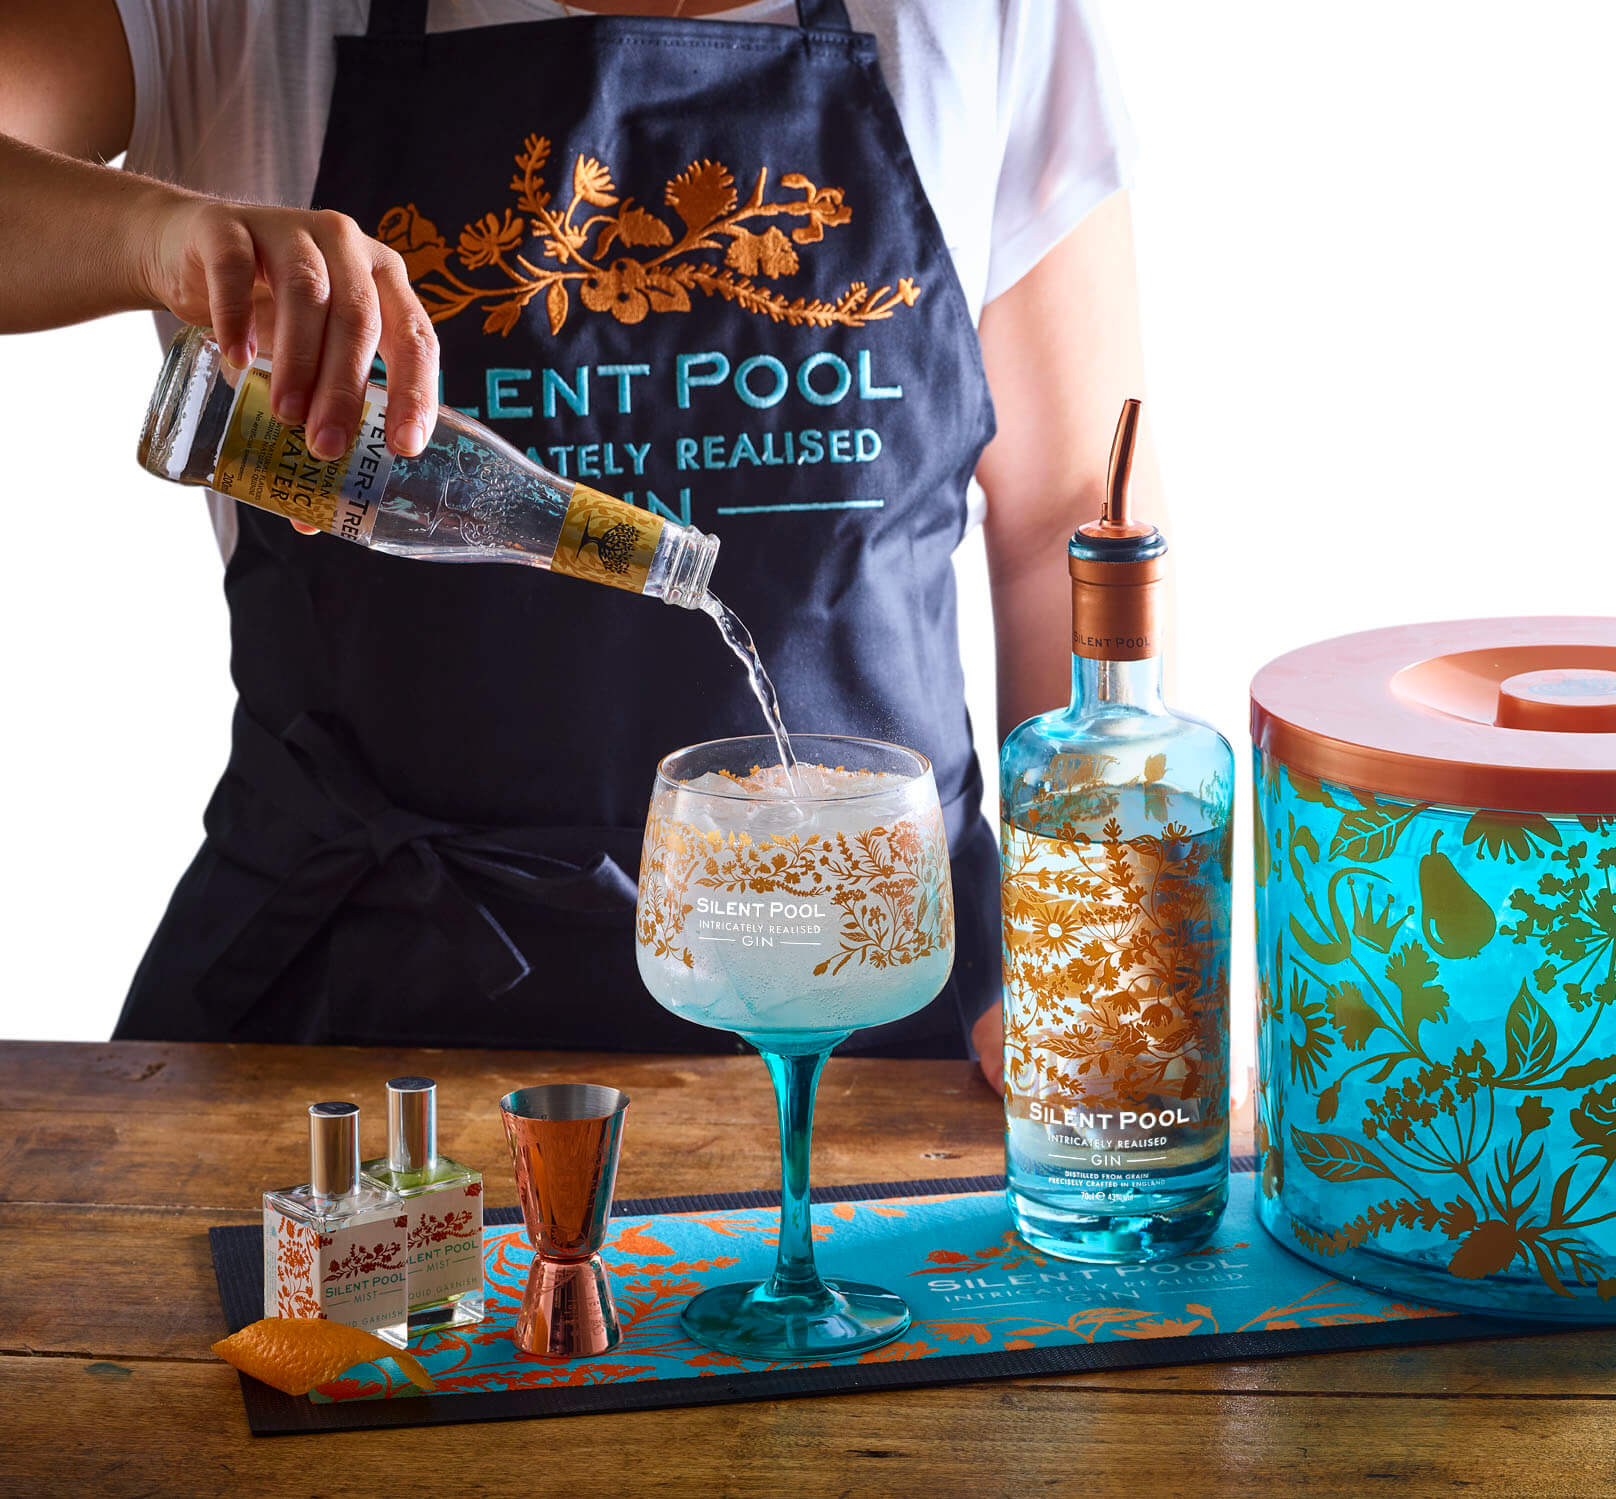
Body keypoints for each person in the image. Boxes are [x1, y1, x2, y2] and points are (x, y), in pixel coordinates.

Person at [0, 0, 1162, 1086]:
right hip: (353, 1008)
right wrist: (158, 235)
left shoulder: (985, 21)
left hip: (874, 989)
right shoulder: (249, 19)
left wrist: (1088, 946)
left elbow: (1066, 520)